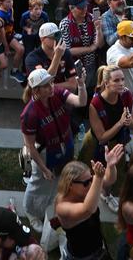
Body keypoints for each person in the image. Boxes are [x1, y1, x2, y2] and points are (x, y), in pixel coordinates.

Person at [19, 66, 87, 229]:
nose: (52, 87)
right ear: (36, 90)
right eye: (46, 85)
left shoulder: (56, 92)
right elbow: (30, 146)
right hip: (45, 153)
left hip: (64, 144)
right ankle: (31, 212)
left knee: (58, 179)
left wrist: (82, 84)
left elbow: (81, 102)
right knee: (38, 184)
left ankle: (50, 201)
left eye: (51, 82)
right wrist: (43, 168)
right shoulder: (29, 114)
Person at [54, 149, 124, 260]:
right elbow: (87, 210)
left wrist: (111, 165)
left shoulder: (85, 189)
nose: (91, 184)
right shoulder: (62, 206)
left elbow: (110, 180)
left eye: (91, 179)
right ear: (70, 184)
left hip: (97, 247)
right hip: (82, 257)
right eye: (86, 182)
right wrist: (98, 178)